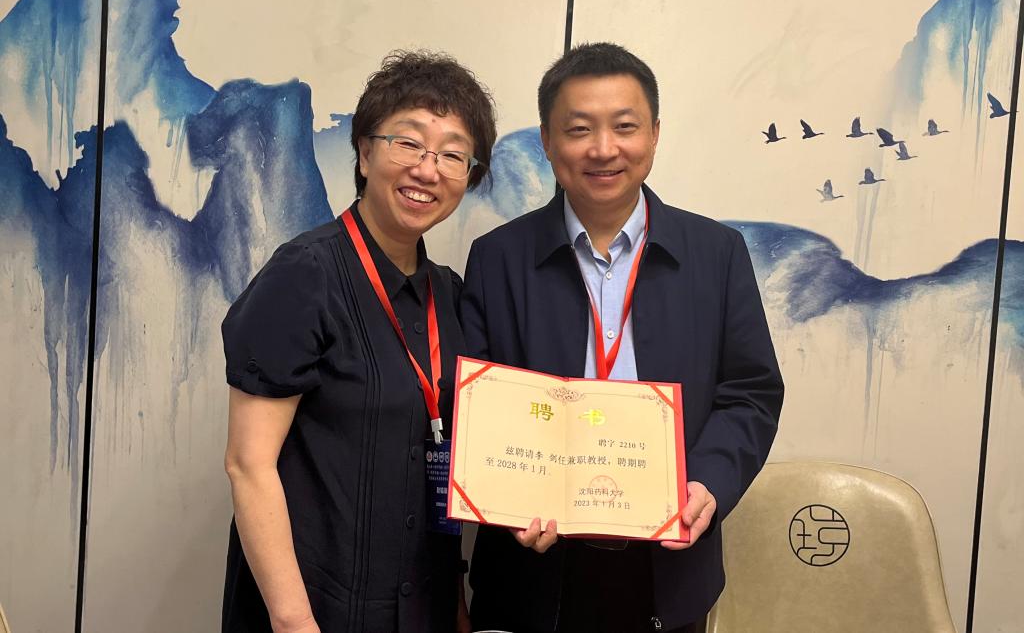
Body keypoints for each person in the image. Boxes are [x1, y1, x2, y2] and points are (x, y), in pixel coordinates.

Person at [460, 42, 783, 633]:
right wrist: (508, 496)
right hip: (530, 567)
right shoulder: (497, 258)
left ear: (654, 135)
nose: (604, 148)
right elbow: (476, 401)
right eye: (579, 129)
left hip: (668, 568)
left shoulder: (716, 254)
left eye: (625, 126)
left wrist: (708, 481)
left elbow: (750, 391)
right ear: (547, 141)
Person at [221, 51, 497, 633]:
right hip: (318, 608)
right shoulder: (304, 274)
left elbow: (438, 459)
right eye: (408, 143)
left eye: (453, 154)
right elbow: (248, 464)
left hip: (420, 606)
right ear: (365, 153)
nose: (427, 169)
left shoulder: (450, 294)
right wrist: (295, 623)